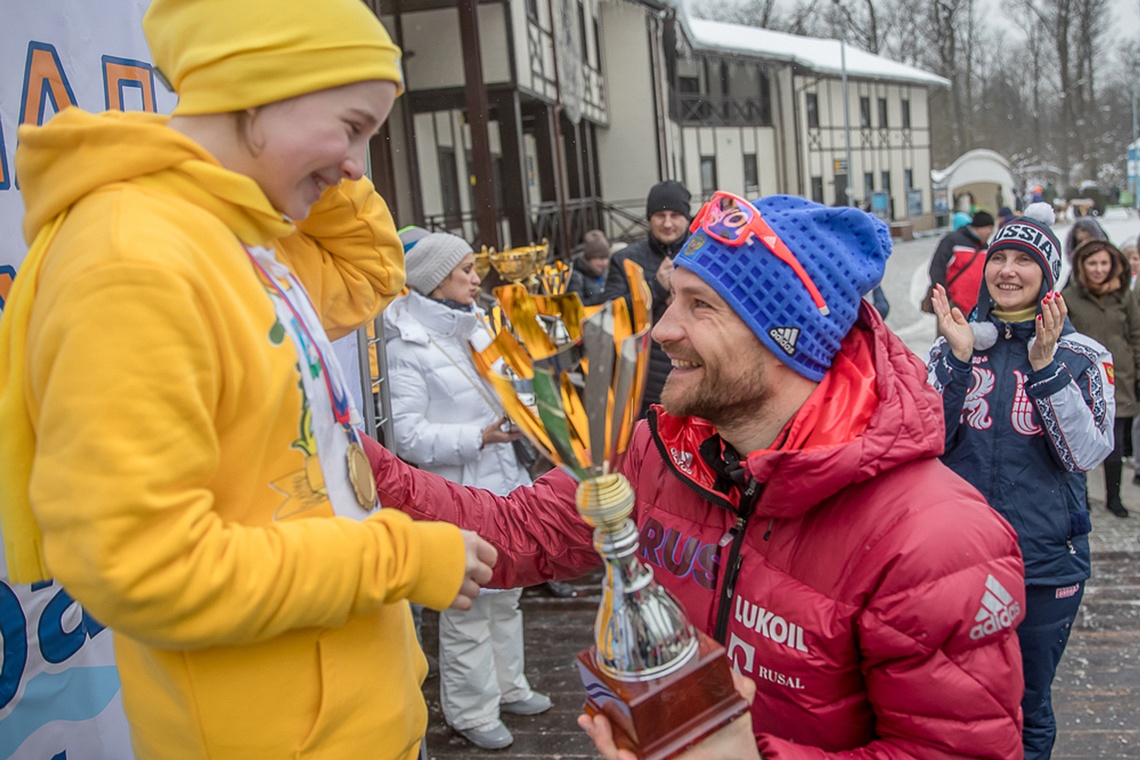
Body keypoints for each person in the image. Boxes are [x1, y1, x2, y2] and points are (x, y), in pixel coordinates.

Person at [0, 1, 497, 758]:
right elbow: (146, 569)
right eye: (354, 125)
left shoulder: (235, 236)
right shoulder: (134, 258)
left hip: (354, 722)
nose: (360, 166)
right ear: (262, 89)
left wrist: (314, 156)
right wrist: (401, 556)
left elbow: (367, 274)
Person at [368, 192, 1028, 758]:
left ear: (784, 337)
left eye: (699, 305)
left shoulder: (937, 539)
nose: (663, 330)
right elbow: (518, 533)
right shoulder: (663, 450)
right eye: (670, 299)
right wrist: (354, 463)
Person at [928, 202, 1114, 759]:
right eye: (999, 257)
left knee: (1028, 702)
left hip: (1045, 562)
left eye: (1024, 261)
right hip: (958, 559)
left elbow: (1083, 452)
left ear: (1048, 274)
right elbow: (926, 445)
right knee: (956, 698)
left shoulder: (1083, 355)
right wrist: (957, 364)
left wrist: (1045, 366)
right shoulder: (954, 343)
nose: (1007, 269)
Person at [384, 232, 552, 750]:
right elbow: (406, 436)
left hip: (504, 484)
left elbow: (508, 382)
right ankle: (471, 710)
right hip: (457, 492)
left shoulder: (477, 324)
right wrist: (478, 436)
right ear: (436, 280)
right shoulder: (405, 345)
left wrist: (527, 403)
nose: (477, 279)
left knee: (507, 597)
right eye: (465, 271)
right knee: (469, 607)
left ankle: (508, 686)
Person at [1062, 238, 1140, 518]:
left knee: (1115, 446)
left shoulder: (1124, 296)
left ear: (1113, 265)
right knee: (1079, 442)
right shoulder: (1070, 298)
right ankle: (1080, 497)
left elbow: (1136, 335)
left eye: (1104, 263)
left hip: (1120, 378)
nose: (1098, 269)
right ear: (1082, 265)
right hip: (1082, 380)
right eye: (1092, 263)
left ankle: (1114, 497)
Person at [602, 180, 691, 416]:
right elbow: (609, 314)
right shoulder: (626, 259)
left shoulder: (704, 253)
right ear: (649, 218)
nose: (668, 223)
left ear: (687, 217)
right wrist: (656, 289)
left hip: (696, 376)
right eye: (660, 215)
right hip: (646, 383)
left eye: (675, 215)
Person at [924, 210, 994, 314]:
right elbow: (937, 269)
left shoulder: (985, 248)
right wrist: (945, 298)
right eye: (990, 229)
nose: (991, 233)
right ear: (981, 228)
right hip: (953, 306)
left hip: (977, 309)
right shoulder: (952, 241)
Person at [567, 229, 612, 306]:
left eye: (606, 258)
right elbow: (577, 305)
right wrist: (603, 298)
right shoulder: (576, 277)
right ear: (589, 259)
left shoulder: (606, 273)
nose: (604, 263)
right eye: (600, 258)